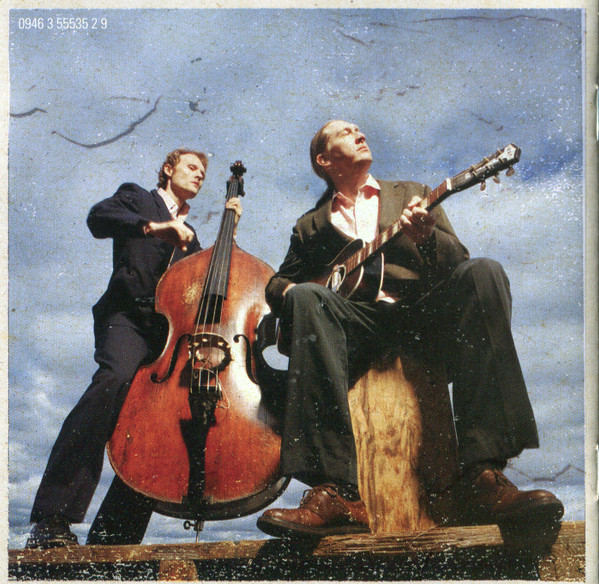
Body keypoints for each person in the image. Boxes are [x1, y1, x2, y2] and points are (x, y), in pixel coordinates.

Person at [256, 120, 564, 538]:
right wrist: (294, 289)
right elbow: (278, 283)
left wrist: (427, 239)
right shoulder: (310, 225)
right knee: (307, 298)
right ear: (324, 160)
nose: (359, 133)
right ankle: (336, 492)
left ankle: (484, 477)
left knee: (483, 273)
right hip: (354, 326)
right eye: (345, 132)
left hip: (423, 318)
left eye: (359, 128)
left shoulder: (412, 194)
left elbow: (458, 260)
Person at [26, 148, 242, 548]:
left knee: (160, 420)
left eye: (203, 171)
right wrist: (155, 228)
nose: (199, 174)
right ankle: (52, 519)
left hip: (167, 337)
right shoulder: (137, 198)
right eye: (191, 166)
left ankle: (113, 539)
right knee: (113, 379)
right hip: (126, 318)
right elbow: (98, 218)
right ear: (168, 169)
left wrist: (229, 231)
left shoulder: (192, 240)